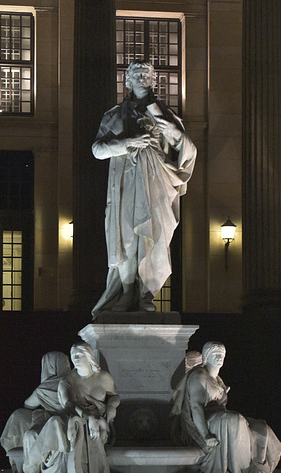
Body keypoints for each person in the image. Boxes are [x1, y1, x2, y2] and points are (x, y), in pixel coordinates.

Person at [91, 60, 197, 317]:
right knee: (127, 236)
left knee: (155, 237)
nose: (141, 78)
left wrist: (176, 134)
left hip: (157, 182)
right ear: (127, 80)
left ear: (153, 80)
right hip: (126, 183)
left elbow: (187, 149)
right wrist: (128, 142)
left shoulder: (166, 115)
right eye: (136, 74)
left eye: (146, 74)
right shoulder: (114, 115)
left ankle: (146, 293)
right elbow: (97, 150)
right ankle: (128, 291)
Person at [171, 342, 281, 473]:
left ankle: (258, 471)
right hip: (201, 423)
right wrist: (205, 435)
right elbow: (195, 408)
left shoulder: (218, 380)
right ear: (206, 356)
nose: (219, 357)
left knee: (260, 427)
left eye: (222, 355)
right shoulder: (198, 376)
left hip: (217, 418)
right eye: (215, 354)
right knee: (233, 420)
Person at [22, 342, 120, 473]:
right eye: (73, 356)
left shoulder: (104, 377)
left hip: (99, 420)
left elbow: (114, 396)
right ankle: (35, 469)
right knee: (57, 423)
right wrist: (89, 416)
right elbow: (70, 404)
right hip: (74, 416)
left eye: (79, 355)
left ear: (89, 356)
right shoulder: (68, 380)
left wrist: (112, 406)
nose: (75, 358)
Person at [0, 351, 71, 473]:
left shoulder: (44, 388)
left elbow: (28, 404)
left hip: (57, 422)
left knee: (30, 434)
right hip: (67, 422)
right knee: (32, 434)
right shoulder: (73, 381)